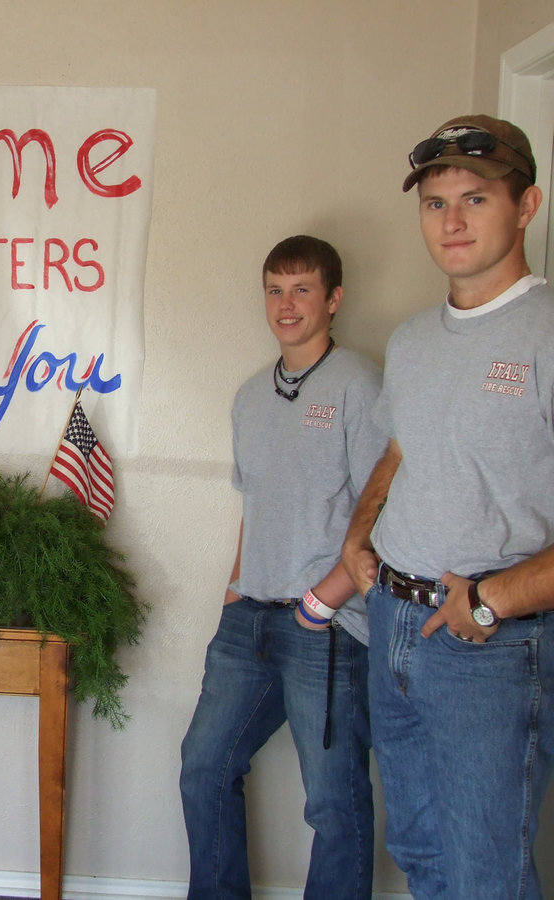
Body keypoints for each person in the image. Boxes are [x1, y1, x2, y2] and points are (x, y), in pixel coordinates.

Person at [341, 114, 550, 899]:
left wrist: (491, 603)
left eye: (475, 199)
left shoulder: (546, 331)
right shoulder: (413, 339)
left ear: (526, 206)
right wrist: (359, 541)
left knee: (483, 874)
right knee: (422, 853)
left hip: (485, 647)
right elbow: (401, 449)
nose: (452, 222)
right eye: (435, 204)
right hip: (392, 622)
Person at [180, 235, 385, 899]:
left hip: (326, 626)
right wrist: (235, 591)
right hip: (251, 621)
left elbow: (382, 508)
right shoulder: (249, 397)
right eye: (275, 289)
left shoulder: (359, 384)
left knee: (333, 801)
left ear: (334, 299)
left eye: (302, 289)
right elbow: (256, 506)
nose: (286, 304)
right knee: (204, 766)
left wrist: (323, 600)